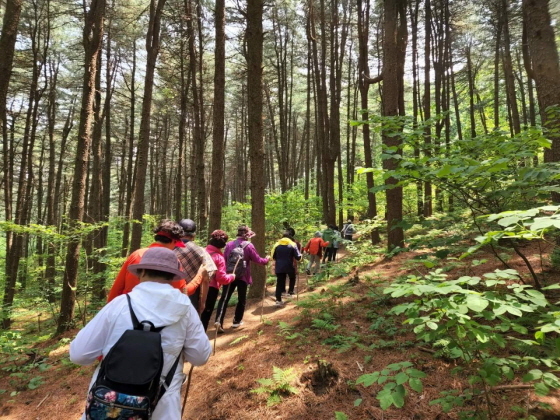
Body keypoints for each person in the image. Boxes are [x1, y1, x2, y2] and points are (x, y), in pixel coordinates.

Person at [70, 247, 211, 420]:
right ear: (173, 276)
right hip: (162, 409)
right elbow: (200, 357)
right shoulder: (186, 309)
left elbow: (79, 355)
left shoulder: (119, 305)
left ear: (141, 272)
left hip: (107, 406)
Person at [107, 219, 204, 302]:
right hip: (155, 317)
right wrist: (200, 275)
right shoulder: (173, 261)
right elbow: (183, 292)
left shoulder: (136, 254)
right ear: (174, 241)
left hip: (128, 313)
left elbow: (116, 289)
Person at [215, 225, 269, 332]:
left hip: (229, 275)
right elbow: (257, 259)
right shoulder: (249, 246)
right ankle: (237, 321)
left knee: (224, 298)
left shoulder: (229, 244)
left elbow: (225, 260)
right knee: (241, 299)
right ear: (247, 235)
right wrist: (266, 260)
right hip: (243, 276)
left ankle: (218, 321)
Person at [175, 218, 217, 313]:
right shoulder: (201, 251)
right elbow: (207, 277)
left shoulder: (169, 248)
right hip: (192, 296)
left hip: (169, 295)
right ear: (194, 236)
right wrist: (202, 302)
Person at [200, 230, 236, 331]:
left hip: (196, 287)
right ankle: (201, 341)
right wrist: (232, 277)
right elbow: (222, 278)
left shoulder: (201, 251)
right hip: (210, 290)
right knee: (205, 316)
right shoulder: (219, 257)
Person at [271, 231, 302, 306]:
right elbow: (298, 257)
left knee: (279, 282)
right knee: (292, 277)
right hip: (289, 265)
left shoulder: (277, 244)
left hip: (279, 266)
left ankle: (278, 300)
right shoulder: (292, 244)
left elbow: (273, 256)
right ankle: (290, 292)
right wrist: (301, 256)